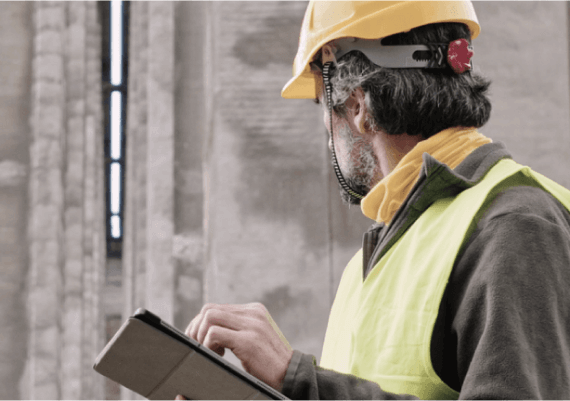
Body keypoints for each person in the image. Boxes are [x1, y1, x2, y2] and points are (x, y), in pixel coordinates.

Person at [177, 0, 570, 399]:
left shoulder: (515, 226)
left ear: (357, 106)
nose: (326, 132)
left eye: (323, 107)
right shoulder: (371, 265)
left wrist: (299, 379)